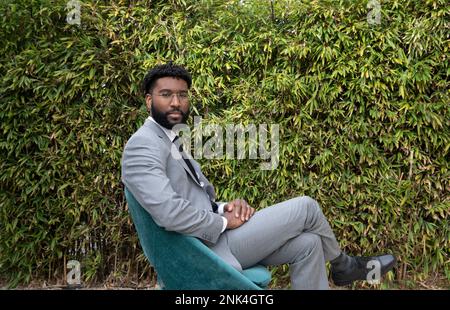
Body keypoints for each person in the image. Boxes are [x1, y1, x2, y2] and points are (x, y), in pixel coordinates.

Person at [121, 62, 396, 289]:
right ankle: (344, 266)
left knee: (309, 244)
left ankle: (341, 266)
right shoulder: (143, 144)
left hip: (214, 240)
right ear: (149, 100)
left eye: (182, 95)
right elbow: (168, 212)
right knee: (306, 207)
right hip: (204, 251)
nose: (176, 102)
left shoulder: (170, 138)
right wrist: (221, 222)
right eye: (166, 94)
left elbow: (188, 198)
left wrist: (223, 207)